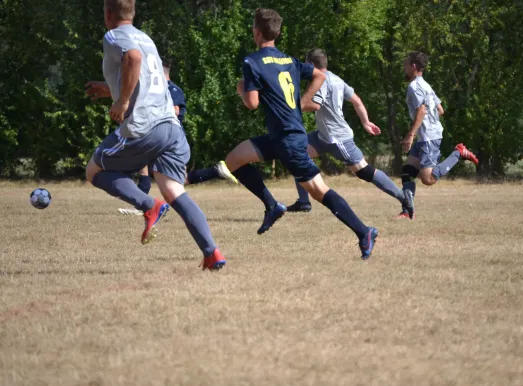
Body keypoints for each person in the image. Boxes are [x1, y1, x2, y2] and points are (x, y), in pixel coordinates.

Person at [218, 8, 377, 260]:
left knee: (318, 190)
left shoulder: (252, 62)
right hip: (283, 136)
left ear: (256, 31)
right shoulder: (288, 60)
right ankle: (272, 206)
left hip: (288, 140)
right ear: (278, 33)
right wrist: (303, 100)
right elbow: (319, 75)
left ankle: (364, 231)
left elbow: (251, 103)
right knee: (234, 159)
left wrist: (241, 88)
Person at [84, 0, 226, 270]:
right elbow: (145, 75)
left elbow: (133, 59)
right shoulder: (145, 37)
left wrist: (123, 102)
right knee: (174, 190)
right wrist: (110, 88)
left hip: (144, 126)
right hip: (170, 127)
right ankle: (212, 253)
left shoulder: (114, 35)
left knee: (94, 170)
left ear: (108, 13)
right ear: (133, 12)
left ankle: (148, 205)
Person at [285, 48, 413, 217]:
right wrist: (365, 122)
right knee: (295, 152)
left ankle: (404, 198)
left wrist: (291, 104)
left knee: (364, 171)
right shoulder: (336, 79)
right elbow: (357, 101)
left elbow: (314, 105)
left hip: (337, 138)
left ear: (311, 65)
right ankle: (303, 202)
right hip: (323, 136)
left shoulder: (322, 81)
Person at [117, 58, 237, 215]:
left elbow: (175, 111)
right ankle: (214, 171)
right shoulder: (156, 88)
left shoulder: (171, 89)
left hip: (169, 140)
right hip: (160, 137)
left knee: (173, 179)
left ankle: (214, 171)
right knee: (167, 177)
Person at [398, 51, 479, 219]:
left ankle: (458, 153)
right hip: (426, 135)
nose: (404, 68)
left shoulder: (414, 87)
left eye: (406, 65)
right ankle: (407, 211)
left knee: (427, 179)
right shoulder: (426, 85)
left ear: (413, 66)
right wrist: (427, 122)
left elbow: (422, 110)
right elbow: (440, 110)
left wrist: (411, 134)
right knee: (407, 173)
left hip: (428, 137)